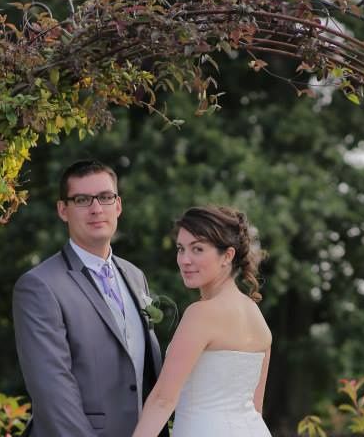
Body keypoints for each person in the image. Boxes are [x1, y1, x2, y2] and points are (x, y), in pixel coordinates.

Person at [13, 159, 169, 437]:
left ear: (118, 205)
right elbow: (53, 391)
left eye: (105, 197)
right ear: (63, 210)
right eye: (82, 199)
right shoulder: (39, 286)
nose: (96, 209)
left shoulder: (135, 276)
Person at [132, 205, 272, 437]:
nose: (184, 260)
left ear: (227, 255)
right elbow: (256, 408)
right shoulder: (257, 317)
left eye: (197, 249)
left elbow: (163, 400)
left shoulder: (201, 314)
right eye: (180, 249)